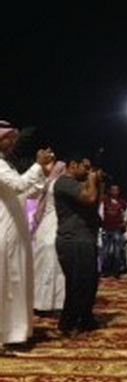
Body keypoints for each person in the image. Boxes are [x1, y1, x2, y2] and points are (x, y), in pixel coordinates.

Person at [0, 121, 54, 352]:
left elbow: (27, 194)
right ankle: (6, 334)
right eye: (9, 138)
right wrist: (37, 166)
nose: (13, 142)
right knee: (7, 281)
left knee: (18, 279)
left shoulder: (6, 165)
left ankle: (17, 332)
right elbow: (19, 186)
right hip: (5, 228)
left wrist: (42, 172)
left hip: (17, 227)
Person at [54, 157, 103, 337]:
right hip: (72, 239)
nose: (88, 171)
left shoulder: (80, 184)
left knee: (89, 282)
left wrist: (98, 183)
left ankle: (85, 318)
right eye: (86, 167)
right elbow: (89, 198)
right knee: (77, 283)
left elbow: (96, 203)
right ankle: (68, 323)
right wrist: (92, 179)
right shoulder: (64, 183)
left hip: (85, 238)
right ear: (73, 165)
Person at [31, 161, 67, 315]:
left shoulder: (48, 184)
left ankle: (42, 302)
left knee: (47, 263)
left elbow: (39, 207)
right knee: (52, 263)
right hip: (54, 225)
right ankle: (51, 302)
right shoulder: (58, 185)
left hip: (47, 226)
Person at [101, 184, 127, 278]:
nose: (114, 191)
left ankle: (116, 271)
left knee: (117, 251)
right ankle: (106, 271)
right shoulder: (105, 201)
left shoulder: (122, 203)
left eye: (116, 190)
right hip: (106, 228)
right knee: (106, 251)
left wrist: (125, 223)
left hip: (117, 228)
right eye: (112, 190)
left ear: (119, 191)